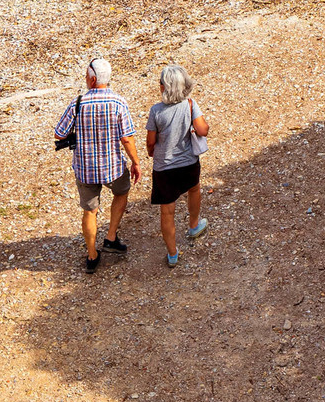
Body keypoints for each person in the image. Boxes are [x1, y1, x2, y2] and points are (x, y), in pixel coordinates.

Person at [53, 57, 144, 274]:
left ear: (92, 80)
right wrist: (136, 162)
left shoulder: (78, 103)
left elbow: (59, 133)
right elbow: (127, 138)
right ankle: (111, 236)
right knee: (121, 193)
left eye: (86, 77)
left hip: (85, 168)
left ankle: (92, 255)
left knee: (90, 210)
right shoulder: (118, 102)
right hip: (112, 166)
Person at [146, 63, 210, 269]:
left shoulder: (156, 111)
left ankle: (173, 253)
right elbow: (203, 130)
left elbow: (150, 141)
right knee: (194, 189)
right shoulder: (190, 104)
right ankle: (193, 225)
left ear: (165, 87)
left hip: (164, 167)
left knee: (167, 211)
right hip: (188, 162)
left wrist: (151, 151)